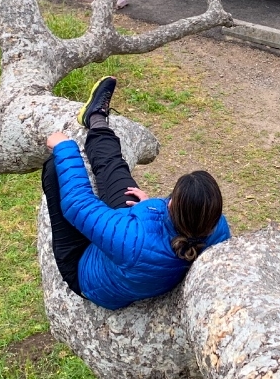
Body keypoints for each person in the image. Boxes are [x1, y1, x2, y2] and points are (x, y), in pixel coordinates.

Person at [42, 76, 231, 310]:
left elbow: (77, 204)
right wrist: (150, 205)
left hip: (85, 271)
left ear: (172, 207)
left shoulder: (130, 236)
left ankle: (89, 127)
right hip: (132, 252)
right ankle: (96, 118)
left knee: (55, 169)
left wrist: (64, 146)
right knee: (114, 169)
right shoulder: (219, 231)